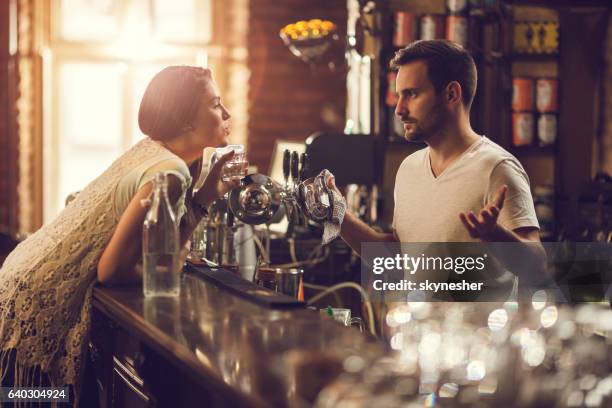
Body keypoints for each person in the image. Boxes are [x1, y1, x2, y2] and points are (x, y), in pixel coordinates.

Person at [0, 66, 244, 401]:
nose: (227, 112)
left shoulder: (153, 152)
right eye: (216, 104)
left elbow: (162, 247)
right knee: (31, 398)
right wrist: (167, 270)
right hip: (39, 298)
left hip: (21, 276)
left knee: (18, 398)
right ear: (187, 120)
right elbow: (112, 270)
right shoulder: (170, 171)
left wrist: (205, 197)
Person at [331, 40, 547, 285]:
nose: (399, 110)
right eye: (399, 96)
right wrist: (337, 214)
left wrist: (494, 235)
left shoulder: (497, 168)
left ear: (451, 94)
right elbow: (398, 260)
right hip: (417, 324)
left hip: (476, 325)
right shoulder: (408, 169)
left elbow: (537, 267)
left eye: (411, 94)